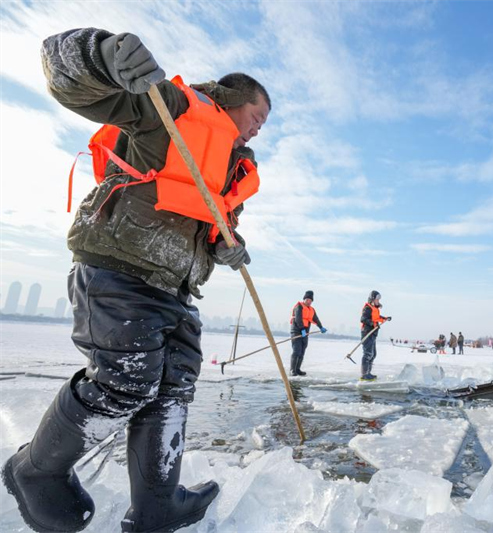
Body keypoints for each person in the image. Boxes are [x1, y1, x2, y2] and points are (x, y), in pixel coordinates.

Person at [2, 28, 270, 533]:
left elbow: (213, 223)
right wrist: (98, 56)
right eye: (257, 117)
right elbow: (81, 88)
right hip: (120, 270)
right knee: (126, 383)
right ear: (233, 99)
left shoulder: (233, 169)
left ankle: (157, 504)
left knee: (172, 389)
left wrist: (226, 246)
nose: (258, 130)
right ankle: (34, 470)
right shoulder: (172, 110)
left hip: (177, 288)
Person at [289, 290, 326, 376]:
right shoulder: (299, 306)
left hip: (305, 333)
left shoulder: (312, 309)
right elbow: (298, 319)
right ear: (304, 299)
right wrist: (302, 329)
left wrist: (321, 327)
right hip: (297, 331)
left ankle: (297, 369)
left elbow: (316, 319)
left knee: (302, 351)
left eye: (310, 301)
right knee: (296, 351)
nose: (309, 302)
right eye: (307, 300)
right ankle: (292, 370)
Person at [360, 290, 391, 381]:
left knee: (373, 354)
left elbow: (377, 318)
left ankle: (368, 373)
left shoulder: (375, 309)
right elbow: (363, 319)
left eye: (379, 299)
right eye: (377, 299)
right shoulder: (367, 308)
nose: (378, 301)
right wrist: (372, 323)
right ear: (372, 299)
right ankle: (364, 375)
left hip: (373, 333)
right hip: (367, 332)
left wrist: (385, 318)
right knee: (368, 354)